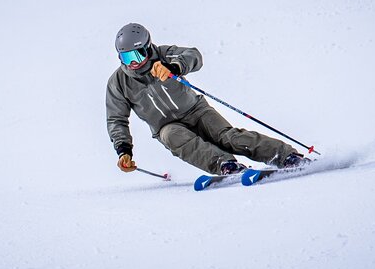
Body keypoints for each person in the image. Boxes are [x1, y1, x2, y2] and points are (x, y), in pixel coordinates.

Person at [106, 23, 309, 176]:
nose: (133, 63)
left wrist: (175, 67)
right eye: (126, 58)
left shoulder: (164, 55)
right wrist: (123, 150)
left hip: (196, 110)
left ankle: (285, 156)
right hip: (167, 126)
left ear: (148, 47)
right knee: (172, 136)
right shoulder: (119, 82)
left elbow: (193, 55)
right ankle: (225, 164)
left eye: (137, 55)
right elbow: (116, 119)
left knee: (229, 137)